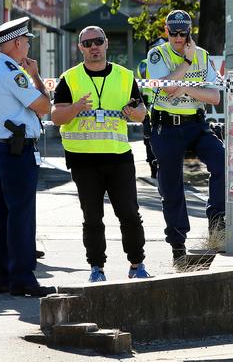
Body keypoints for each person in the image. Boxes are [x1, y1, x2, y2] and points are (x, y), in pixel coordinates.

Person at [51, 26, 150, 282]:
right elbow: (56, 117)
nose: (93, 47)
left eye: (98, 41)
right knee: (92, 217)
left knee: (129, 213)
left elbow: (141, 113)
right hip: (83, 160)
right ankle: (97, 268)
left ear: (106, 44)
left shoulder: (125, 76)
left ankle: (137, 264)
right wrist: (75, 107)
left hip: (118, 156)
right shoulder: (70, 78)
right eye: (87, 43)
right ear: (80, 48)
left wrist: (135, 113)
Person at [0, 17, 55, 297]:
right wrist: (36, 77)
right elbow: (43, 106)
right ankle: (23, 278)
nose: (27, 47)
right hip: (17, 151)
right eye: (25, 42)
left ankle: (3, 277)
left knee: (4, 216)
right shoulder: (13, 72)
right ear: (15, 43)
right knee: (21, 217)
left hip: (2, 148)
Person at [146, 10, 225, 264]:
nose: (178, 38)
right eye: (174, 33)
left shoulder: (202, 55)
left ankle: (217, 222)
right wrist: (187, 65)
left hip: (195, 124)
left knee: (221, 160)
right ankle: (178, 244)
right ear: (166, 31)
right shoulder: (157, 54)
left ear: (189, 31)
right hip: (166, 127)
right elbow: (166, 88)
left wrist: (186, 86)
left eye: (183, 33)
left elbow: (215, 97)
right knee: (171, 187)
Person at [135, 37, 165, 179]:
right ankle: (153, 169)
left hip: (165, 107)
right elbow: (145, 74)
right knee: (149, 139)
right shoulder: (145, 63)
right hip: (148, 108)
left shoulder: (172, 63)